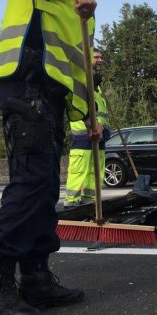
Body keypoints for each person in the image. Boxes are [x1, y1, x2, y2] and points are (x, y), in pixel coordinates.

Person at [0, 0, 111, 315]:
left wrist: (89, 116)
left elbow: (76, 67)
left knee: (46, 187)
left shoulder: (82, 2)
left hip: (48, 96)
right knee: (31, 182)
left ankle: (34, 277)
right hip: (24, 82)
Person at [64, 48, 111, 207]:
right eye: (96, 57)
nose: (100, 60)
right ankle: (71, 203)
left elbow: (100, 112)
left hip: (101, 133)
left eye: (101, 57)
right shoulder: (80, 80)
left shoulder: (96, 84)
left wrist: (102, 128)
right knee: (79, 170)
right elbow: (79, 106)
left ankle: (90, 202)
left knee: (96, 171)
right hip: (84, 133)